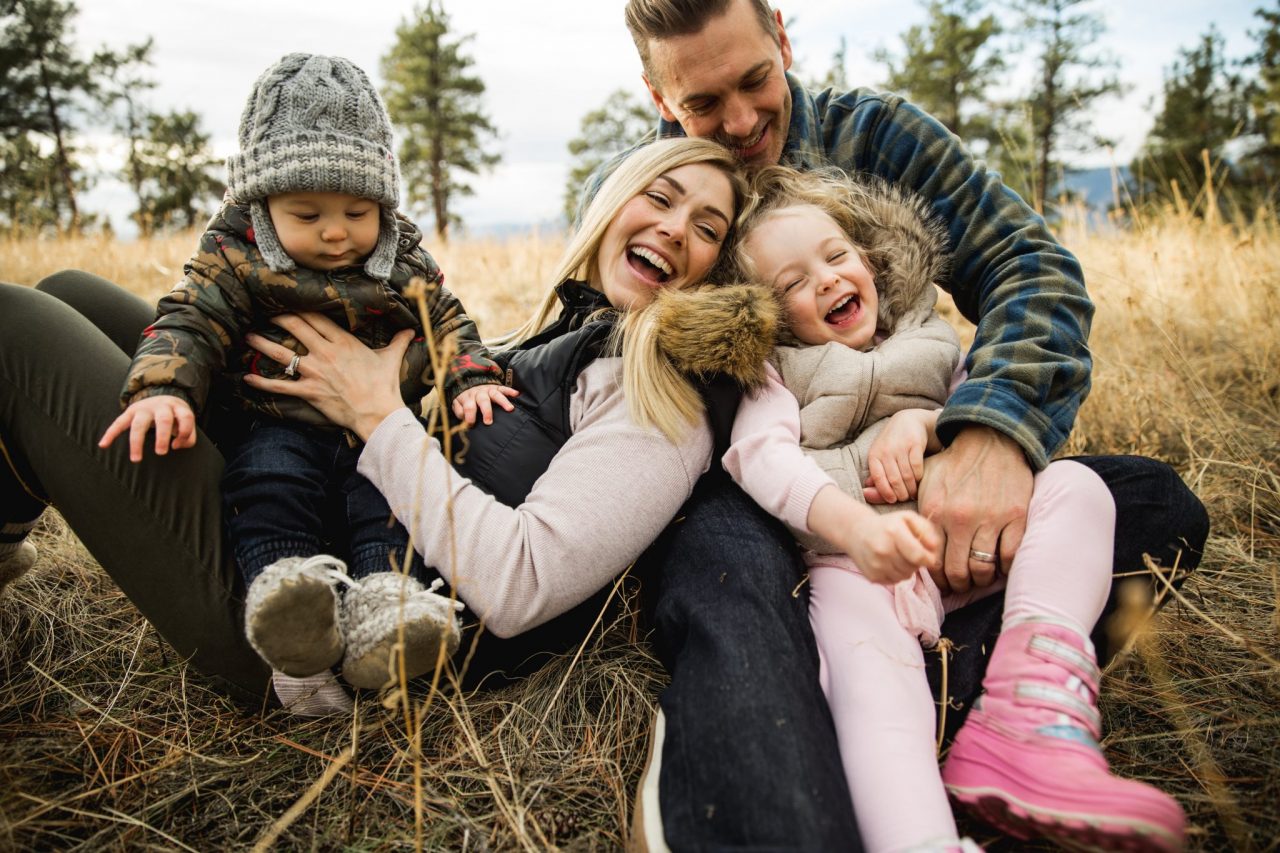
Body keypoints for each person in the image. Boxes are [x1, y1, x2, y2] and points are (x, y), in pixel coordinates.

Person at [608, 1, 1210, 849]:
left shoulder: (878, 140)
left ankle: (983, 712)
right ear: (658, 93)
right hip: (758, 498)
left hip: (912, 500)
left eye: (755, 80)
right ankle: (768, 805)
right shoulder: (662, 193)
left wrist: (984, 434)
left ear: (782, 35)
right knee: (732, 577)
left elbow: (1027, 265)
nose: (740, 122)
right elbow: (600, 341)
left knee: (1148, 503)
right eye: (705, 105)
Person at [0, 137, 762, 715]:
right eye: (659, 198)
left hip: (325, 624)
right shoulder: (563, 333)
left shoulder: (665, 391)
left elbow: (525, 581)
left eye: (707, 227)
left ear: (717, 267)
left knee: (15, 331)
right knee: (75, 289)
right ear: (614, 200)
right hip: (307, 491)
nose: (672, 229)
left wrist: (374, 410)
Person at [723, 165, 1186, 852]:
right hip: (858, 570)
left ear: (871, 260)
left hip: (962, 543)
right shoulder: (776, 368)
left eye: (837, 256)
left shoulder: (929, 332)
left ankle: (1025, 704)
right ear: (765, 312)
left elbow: (980, 413)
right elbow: (759, 455)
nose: (824, 279)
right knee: (876, 702)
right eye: (791, 283)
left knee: (1077, 489)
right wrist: (851, 529)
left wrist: (934, 425)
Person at [94, 54, 517, 699]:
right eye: (307, 212)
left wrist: (470, 379)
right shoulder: (235, 256)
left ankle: (391, 613)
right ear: (262, 205)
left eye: (356, 211)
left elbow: (449, 323)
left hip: (378, 432)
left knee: (390, 506)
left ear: (381, 201)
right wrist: (162, 389)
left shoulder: (401, 261)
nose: (335, 232)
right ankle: (295, 619)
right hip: (274, 425)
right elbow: (189, 319)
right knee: (269, 486)